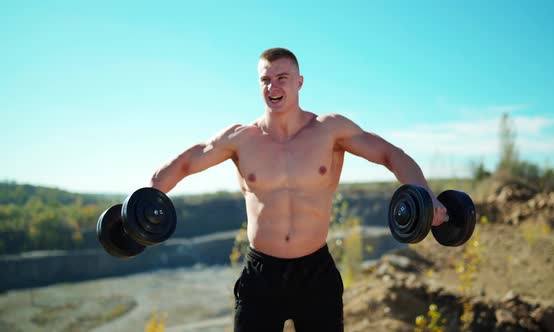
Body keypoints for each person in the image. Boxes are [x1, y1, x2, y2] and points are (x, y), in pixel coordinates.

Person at [149, 48, 447, 332]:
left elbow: (390, 155)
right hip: (261, 275)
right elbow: (187, 162)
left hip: (315, 272)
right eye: (265, 79)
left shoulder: (329, 130)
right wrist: (145, 199)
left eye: (282, 78)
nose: (273, 86)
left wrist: (427, 196)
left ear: (299, 82)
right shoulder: (240, 138)